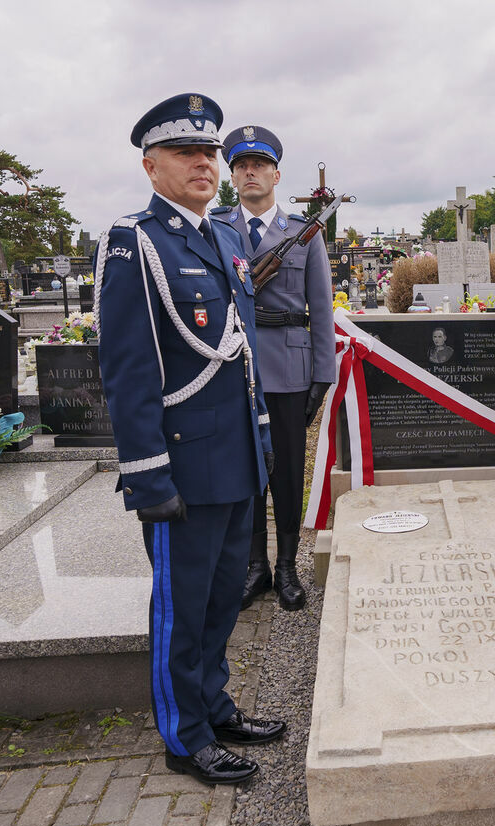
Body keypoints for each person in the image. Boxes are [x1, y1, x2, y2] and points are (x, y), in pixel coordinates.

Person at [95, 93, 286, 785]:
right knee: (182, 608)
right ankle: (185, 737)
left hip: (234, 456)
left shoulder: (226, 236)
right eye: (186, 153)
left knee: (222, 598)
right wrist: (149, 474)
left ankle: (216, 705)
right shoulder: (136, 241)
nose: (204, 163)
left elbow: (244, 353)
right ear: (152, 166)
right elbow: (127, 368)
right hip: (181, 462)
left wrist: (260, 441)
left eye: (209, 152)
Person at [213, 126, 335, 613]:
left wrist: (322, 374)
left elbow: (321, 308)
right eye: (241, 165)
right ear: (232, 175)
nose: (249, 171)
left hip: (288, 365)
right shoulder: (217, 228)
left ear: (276, 174)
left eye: (259, 164)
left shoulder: (303, 233)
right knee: (245, 472)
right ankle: (254, 566)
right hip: (233, 366)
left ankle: (287, 567)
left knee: (285, 471)